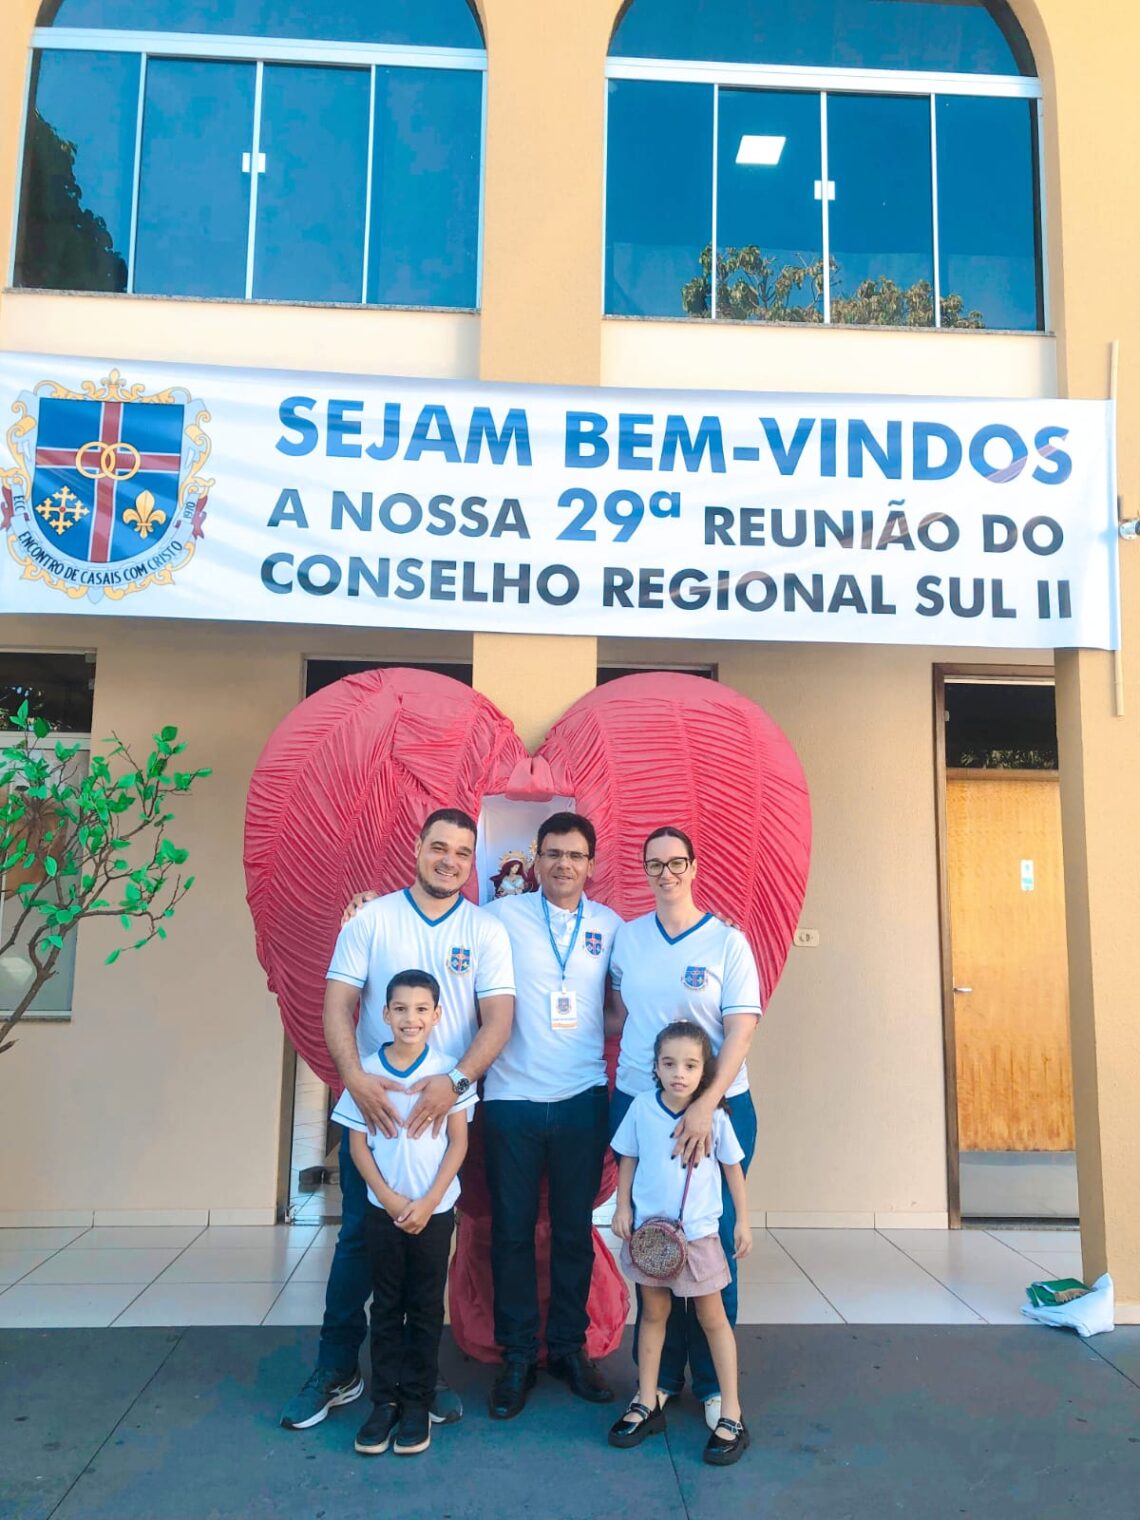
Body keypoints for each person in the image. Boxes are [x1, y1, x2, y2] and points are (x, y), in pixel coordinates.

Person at [279, 808, 515, 1431]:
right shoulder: (373, 918)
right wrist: (354, 1078)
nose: (450, 861)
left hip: (445, 1122)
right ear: (417, 849)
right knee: (358, 1240)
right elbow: (337, 1005)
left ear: (472, 862)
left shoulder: (485, 930)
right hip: (376, 1116)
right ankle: (337, 1367)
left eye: (463, 853)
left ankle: (420, 1376)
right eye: (439, 847)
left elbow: (498, 1022)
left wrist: (457, 1081)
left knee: (427, 1255)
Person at [606, 826, 761, 1431]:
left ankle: (716, 1386)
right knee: (655, 1238)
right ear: (643, 871)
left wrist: (706, 1104)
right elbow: (616, 1013)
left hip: (715, 1106)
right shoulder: (629, 936)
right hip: (643, 1104)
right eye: (654, 864)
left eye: (676, 863)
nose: (665, 873)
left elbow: (741, 1027)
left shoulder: (727, 942)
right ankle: (662, 1379)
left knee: (708, 1237)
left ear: (694, 867)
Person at [480, 811, 621, 1419]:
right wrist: (366, 901)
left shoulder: (611, 927)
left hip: (582, 1100)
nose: (564, 864)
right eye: (554, 854)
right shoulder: (499, 917)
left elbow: (620, 1007)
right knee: (510, 1233)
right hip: (510, 1101)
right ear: (535, 859)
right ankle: (516, 1354)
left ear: (592, 864)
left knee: (572, 1231)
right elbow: (431, 926)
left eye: (576, 855)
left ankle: (568, 1348)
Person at [331, 969, 477, 1458]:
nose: (410, 1019)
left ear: (437, 1016)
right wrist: (391, 1201)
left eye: (421, 1009)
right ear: (384, 1014)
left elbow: (458, 1142)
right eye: (400, 1009)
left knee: (426, 1306)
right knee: (387, 1306)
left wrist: (431, 1200)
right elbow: (356, 1147)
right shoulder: (367, 1073)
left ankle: (417, 1403)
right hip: (384, 1213)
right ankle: (384, 1402)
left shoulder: (447, 1072)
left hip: (434, 1215)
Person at [608, 1021, 751, 1466]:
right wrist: (622, 1207)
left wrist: (742, 1220)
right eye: (669, 1063)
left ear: (704, 1069)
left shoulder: (715, 1116)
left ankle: (732, 1412)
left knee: (713, 1318)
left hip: (700, 1237)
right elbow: (627, 1157)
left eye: (690, 1065)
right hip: (652, 1237)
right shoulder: (641, 1110)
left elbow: (732, 1169)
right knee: (653, 1314)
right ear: (654, 1066)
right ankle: (646, 1401)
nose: (679, 1073)